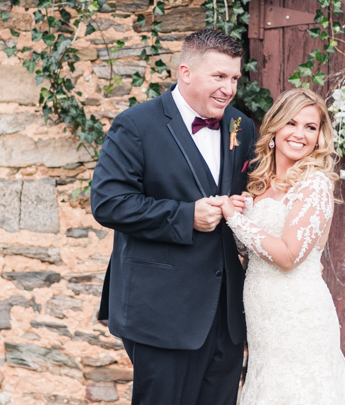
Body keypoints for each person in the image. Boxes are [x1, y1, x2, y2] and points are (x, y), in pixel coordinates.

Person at [90, 29, 256, 405]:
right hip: (162, 310)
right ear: (186, 72)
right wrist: (185, 216)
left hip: (226, 315)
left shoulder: (241, 128)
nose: (229, 89)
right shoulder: (136, 125)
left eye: (234, 78)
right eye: (219, 77)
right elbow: (108, 202)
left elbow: (252, 191)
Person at [218, 88, 345, 404]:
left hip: (298, 314)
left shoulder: (314, 183)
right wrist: (242, 212)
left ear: (319, 136)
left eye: (310, 127)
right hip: (263, 316)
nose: (300, 134)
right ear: (274, 129)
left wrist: (234, 219)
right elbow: (251, 252)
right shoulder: (259, 185)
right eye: (292, 123)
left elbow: (287, 256)